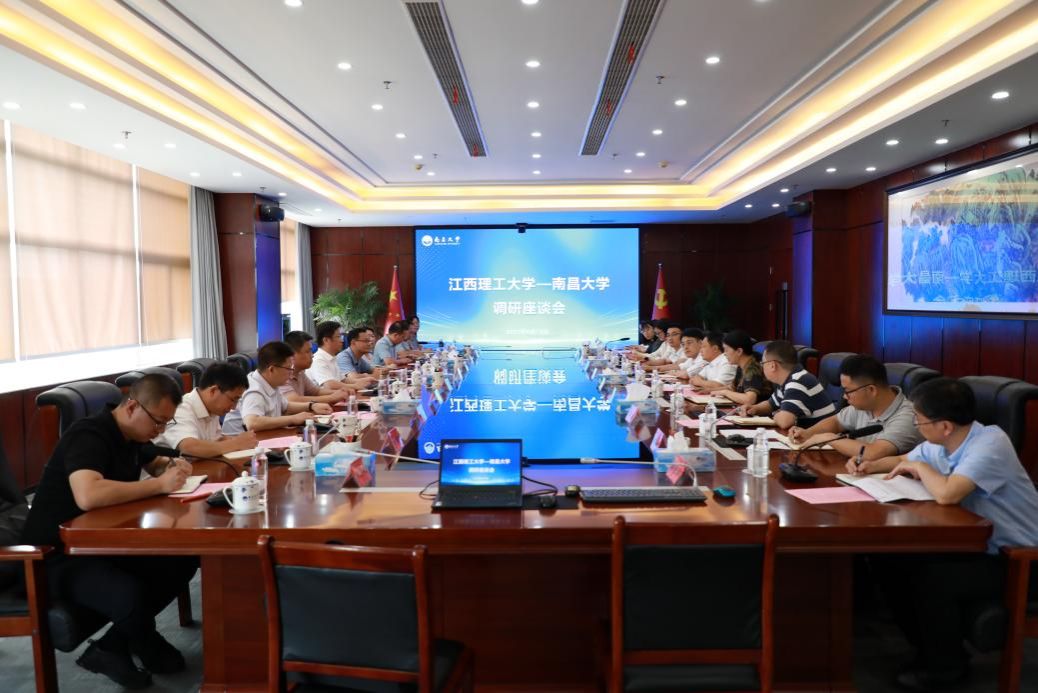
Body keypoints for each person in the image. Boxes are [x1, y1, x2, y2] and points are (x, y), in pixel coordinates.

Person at [857, 378, 1038, 690]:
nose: (916, 425)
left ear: (944, 426)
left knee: (932, 579)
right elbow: (904, 460)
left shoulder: (990, 444)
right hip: (981, 546)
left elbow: (948, 494)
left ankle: (947, 668)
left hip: (1020, 559)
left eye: (919, 420)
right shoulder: (944, 441)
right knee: (889, 558)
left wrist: (922, 470)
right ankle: (929, 651)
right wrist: (867, 465)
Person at [21, 375, 199, 689]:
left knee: (183, 560)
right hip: (57, 555)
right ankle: (140, 640)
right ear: (132, 407)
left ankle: (112, 646)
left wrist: (171, 468)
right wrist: (158, 485)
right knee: (130, 594)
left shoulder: (133, 435)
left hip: (100, 543)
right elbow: (88, 495)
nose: (160, 431)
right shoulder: (88, 434)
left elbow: (155, 462)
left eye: (166, 423)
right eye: (158, 422)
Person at [789, 354, 920, 461]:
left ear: (871, 390)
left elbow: (874, 453)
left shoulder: (909, 416)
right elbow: (836, 422)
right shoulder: (865, 405)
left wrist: (828, 438)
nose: (844, 397)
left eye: (848, 391)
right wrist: (808, 433)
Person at [222, 341, 331, 434]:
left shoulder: (270, 382)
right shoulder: (254, 390)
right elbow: (252, 423)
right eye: (288, 368)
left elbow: (285, 406)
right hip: (239, 446)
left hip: (262, 438)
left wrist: (311, 406)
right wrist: (293, 419)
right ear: (272, 369)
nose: (291, 373)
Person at [155, 362, 258, 458]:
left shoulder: (212, 408)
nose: (234, 407)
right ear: (213, 391)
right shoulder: (181, 409)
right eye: (233, 400)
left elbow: (216, 440)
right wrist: (236, 443)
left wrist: (240, 440)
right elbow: (189, 448)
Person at [737, 340, 836, 428]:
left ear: (773, 365)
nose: (762, 367)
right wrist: (754, 408)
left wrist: (776, 414)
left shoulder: (798, 381)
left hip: (822, 439)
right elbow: (771, 404)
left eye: (763, 363)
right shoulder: (789, 378)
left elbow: (784, 422)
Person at [282, 330, 351, 406]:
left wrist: (339, 392)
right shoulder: (281, 373)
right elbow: (294, 400)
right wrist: (332, 397)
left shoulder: (300, 372)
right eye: (308, 351)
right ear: (292, 354)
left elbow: (316, 392)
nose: (312, 355)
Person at [712, 330, 772, 406]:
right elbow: (731, 388)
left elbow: (750, 399)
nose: (724, 354)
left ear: (739, 351)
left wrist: (725, 393)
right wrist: (708, 391)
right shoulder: (741, 366)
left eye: (726, 350)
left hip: (757, 411)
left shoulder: (753, 369)